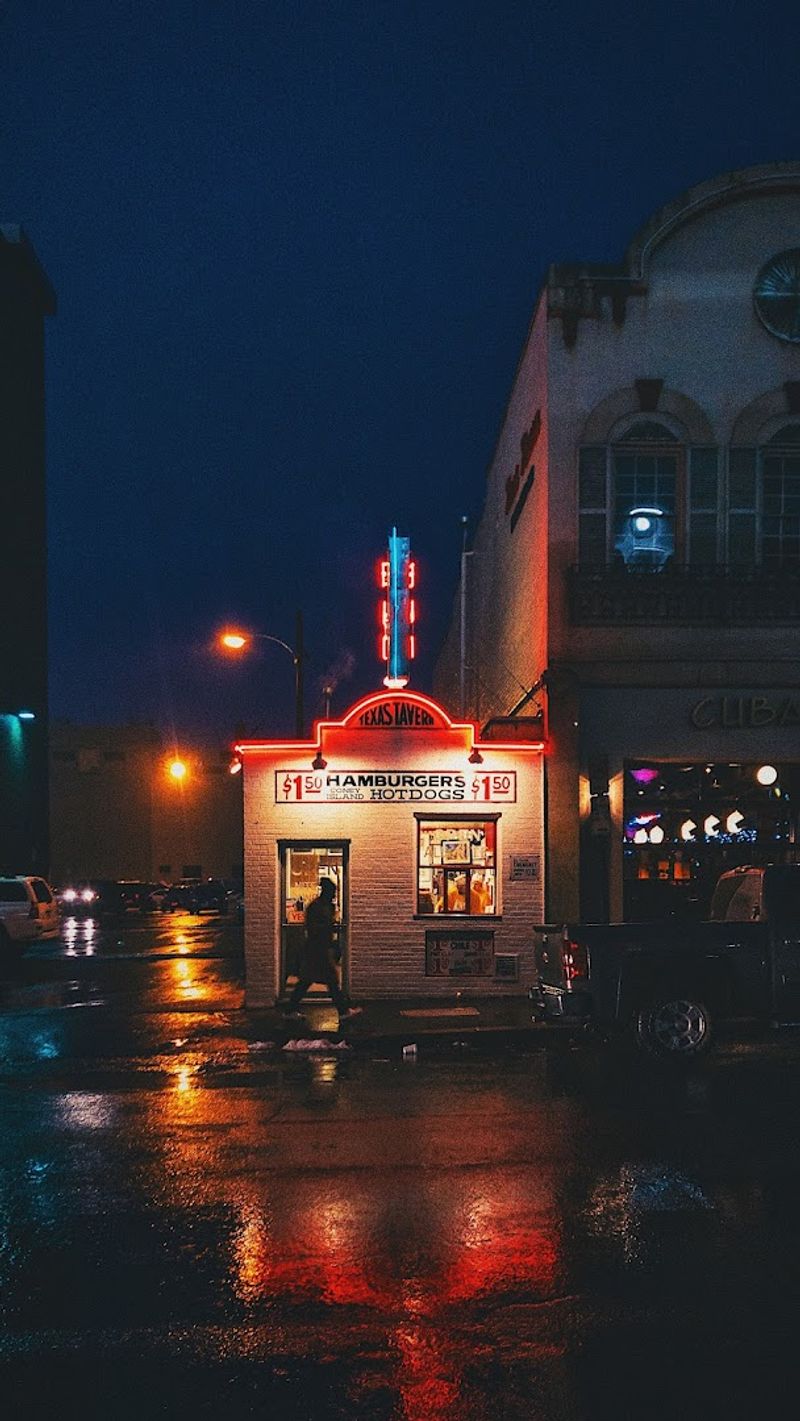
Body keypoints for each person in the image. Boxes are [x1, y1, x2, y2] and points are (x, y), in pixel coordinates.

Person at [283, 878, 361, 1021]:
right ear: (326, 891)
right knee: (328, 981)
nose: (333, 895)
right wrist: (328, 932)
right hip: (317, 949)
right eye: (332, 892)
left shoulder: (321, 906)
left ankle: (290, 1009)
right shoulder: (317, 907)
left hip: (317, 948)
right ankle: (342, 1011)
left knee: (309, 981)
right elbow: (314, 928)